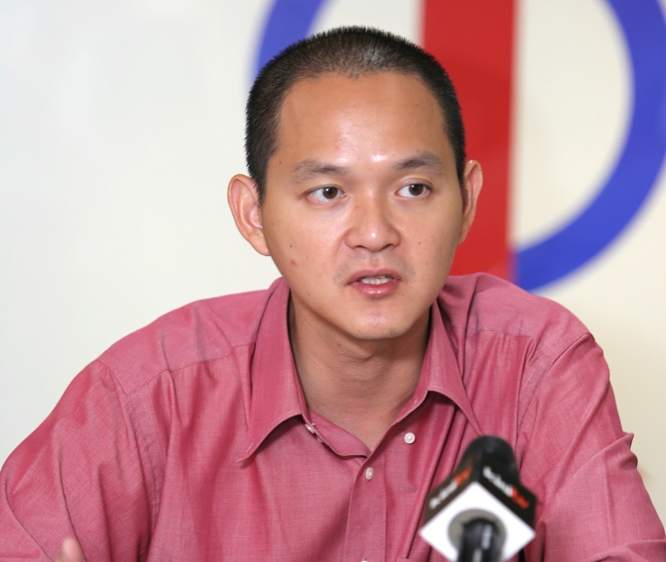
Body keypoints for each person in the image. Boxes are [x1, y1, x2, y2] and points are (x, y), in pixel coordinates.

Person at [1, 26, 664, 562]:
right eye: (328, 192)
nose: (374, 234)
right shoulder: (152, 396)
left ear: (466, 202)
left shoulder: (535, 366)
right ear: (254, 214)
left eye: (413, 189)